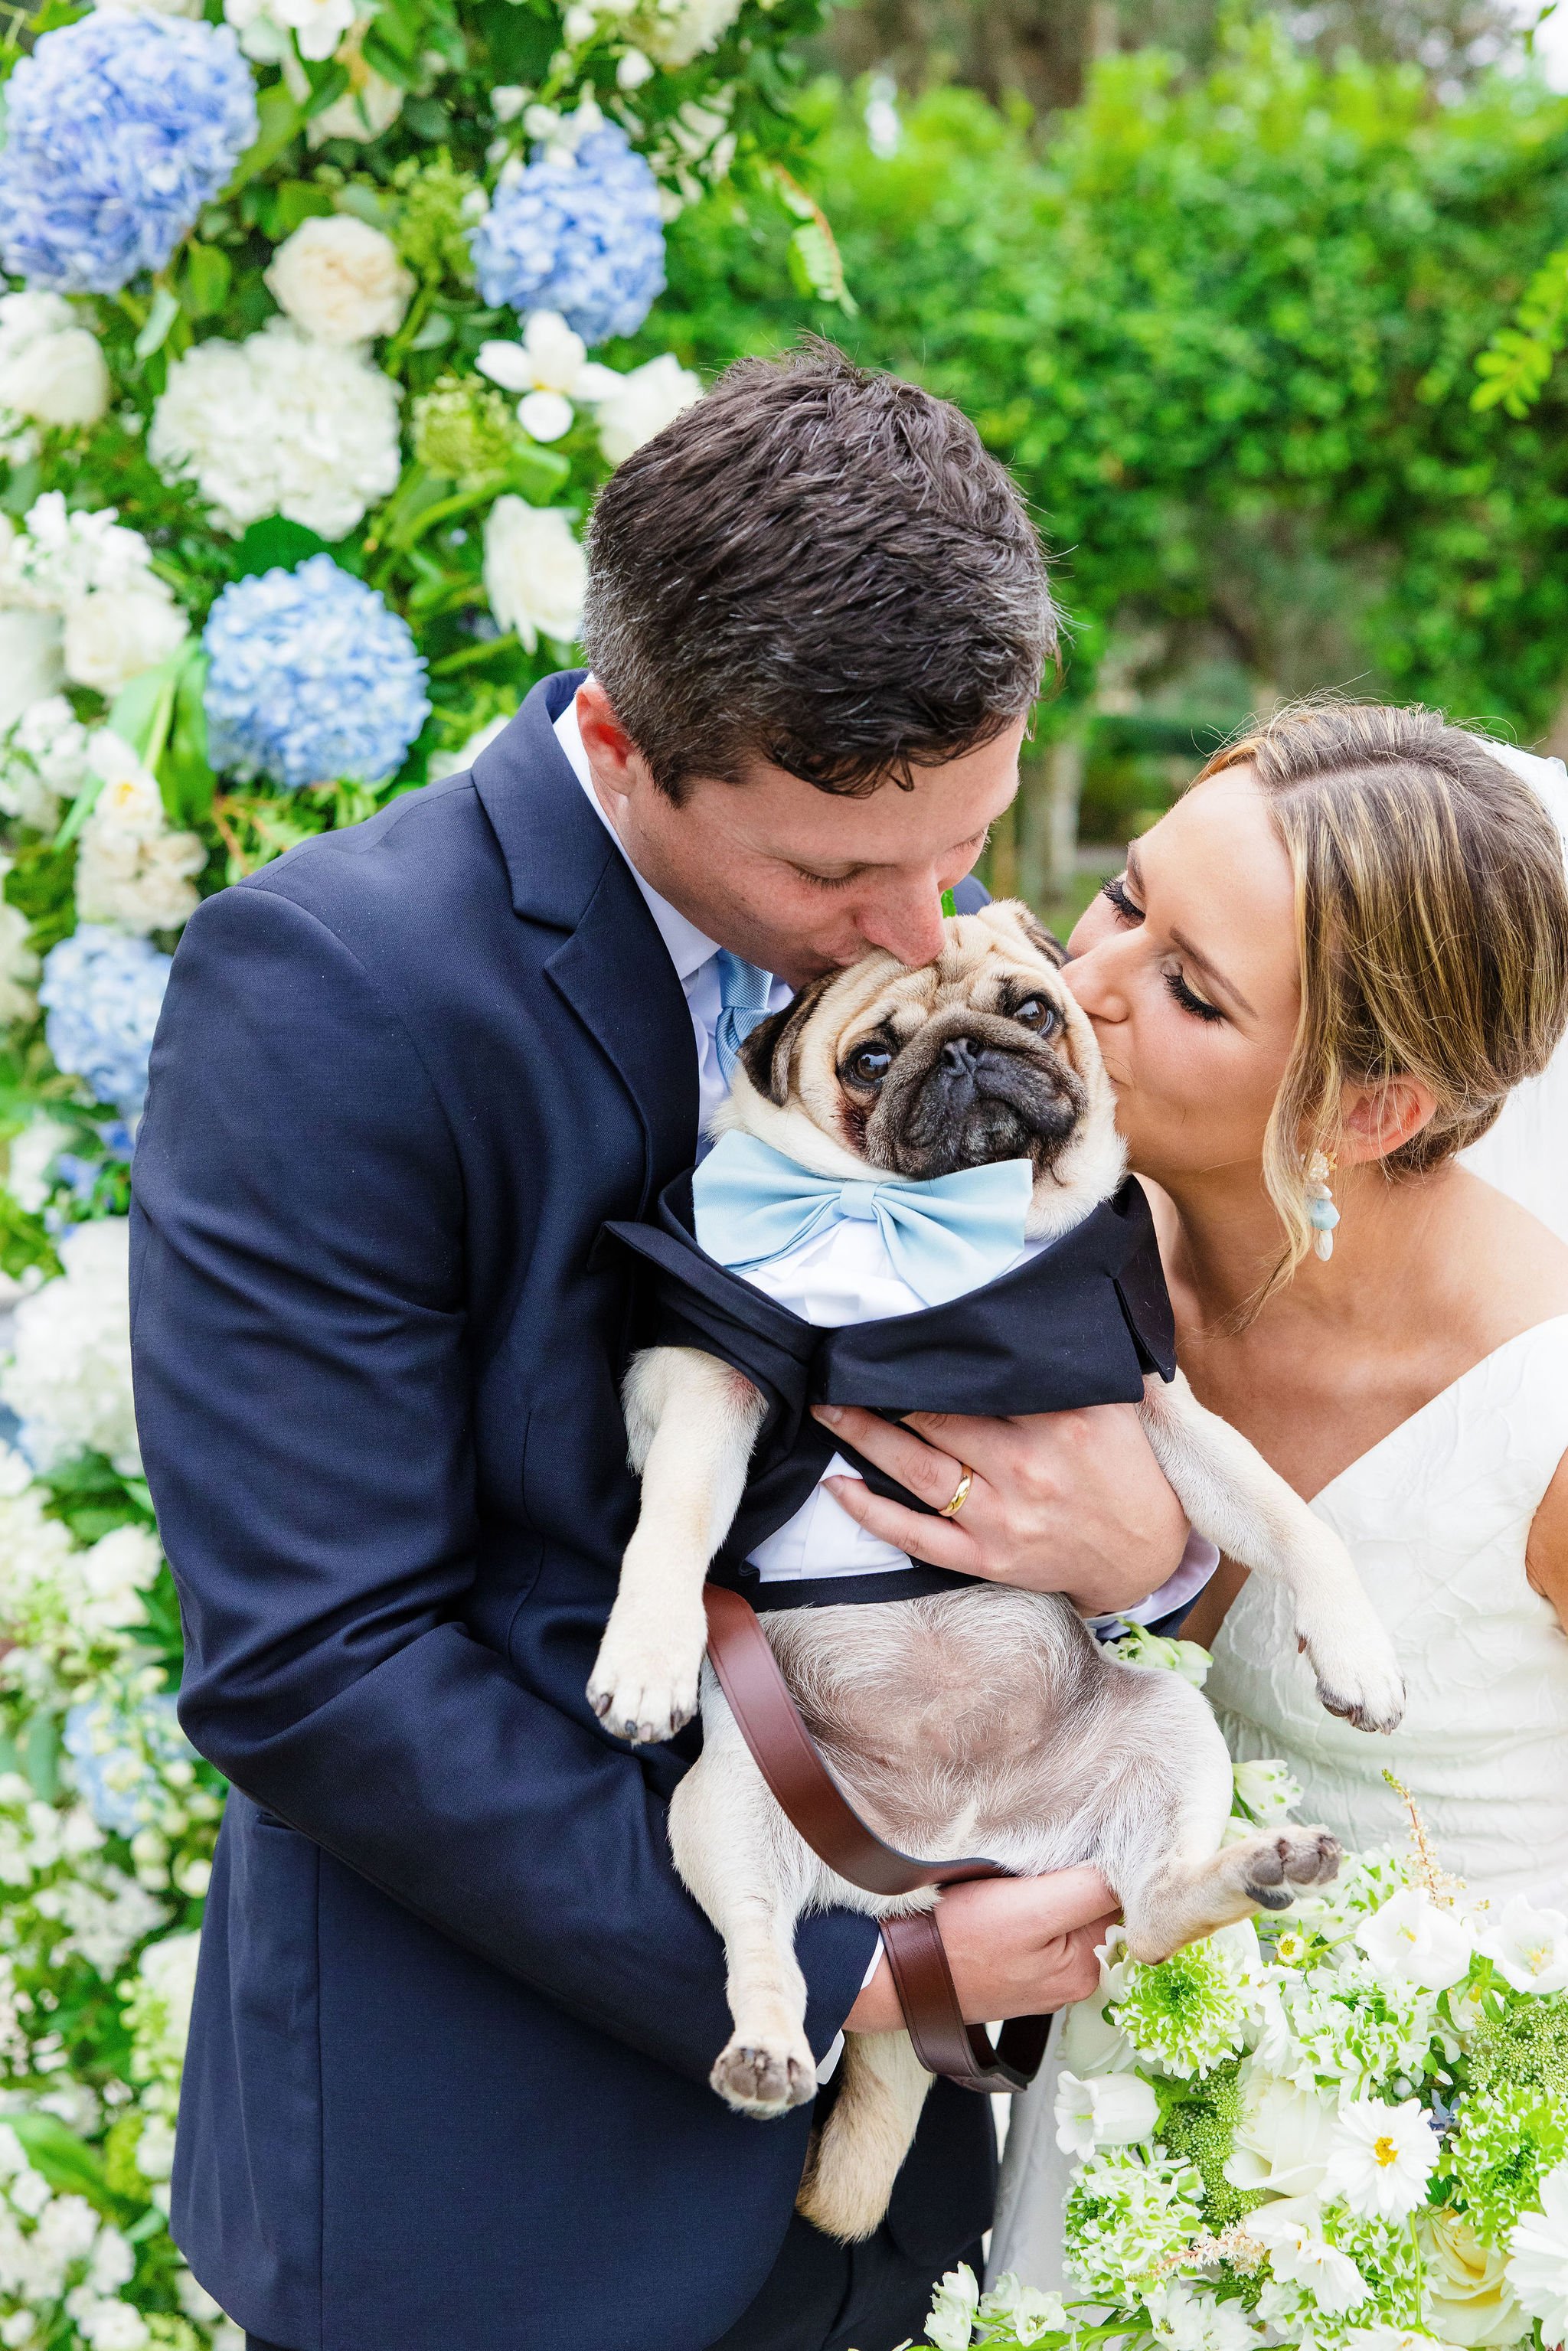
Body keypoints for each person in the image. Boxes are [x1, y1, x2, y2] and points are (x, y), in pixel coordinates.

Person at [129, 345, 1202, 2351]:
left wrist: (1153, 1550)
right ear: (621, 742)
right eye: (830, 874)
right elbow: (312, 1661)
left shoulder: (932, 952)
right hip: (504, 2180)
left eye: (953, 852)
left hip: (914, 2186)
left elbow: (1096, 1364)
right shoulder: (333, 991)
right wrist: (842, 1959)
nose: (917, 932)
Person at [988, 700, 1568, 2289]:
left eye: (1185, 990)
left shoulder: (1547, 1422)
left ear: (1368, 1109)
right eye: (1122, 894)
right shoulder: (1019, 1247)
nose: (1079, 986)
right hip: (1089, 2124)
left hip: (1424, 2210)